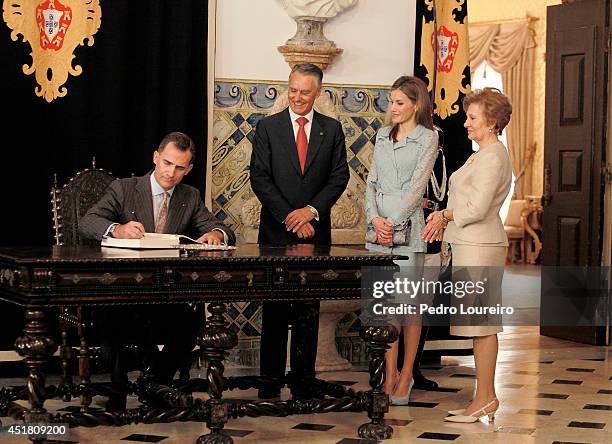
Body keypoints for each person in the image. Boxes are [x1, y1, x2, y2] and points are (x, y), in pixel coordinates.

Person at [79, 131, 236, 409]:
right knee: (115, 323)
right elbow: (88, 221)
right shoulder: (125, 188)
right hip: (121, 292)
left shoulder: (189, 195)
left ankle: (153, 382)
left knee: (191, 324)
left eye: (179, 167)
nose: (170, 173)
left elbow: (222, 229)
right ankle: (125, 391)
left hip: (161, 295)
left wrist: (216, 234)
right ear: (155, 158)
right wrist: (117, 229)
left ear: (188, 169)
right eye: (166, 163)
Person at [250, 63, 349, 399]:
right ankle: (269, 384)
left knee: (308, 309)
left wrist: (310, 212)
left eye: (304, 92)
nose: (297, 97)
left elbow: (339, 177)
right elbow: (259, 178)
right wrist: (289, 216)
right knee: (275, 311)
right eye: (292, 90)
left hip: (315, 234)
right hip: (276, 235)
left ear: (317, 92)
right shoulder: (267, 127)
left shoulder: (332, 129)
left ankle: (304, 384)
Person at [422, 87, 512, 423]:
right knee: (478, 326)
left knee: (482, 325)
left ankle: (486, 398)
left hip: (481, 248)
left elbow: (475, 208)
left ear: (491, 122)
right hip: (470, 246)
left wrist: (443, 216)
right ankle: (484, 397)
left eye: (472, 118)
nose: (466, 124)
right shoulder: (482, 154)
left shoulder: (494, 156)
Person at [365, 75, 438, 405]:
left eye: (399, 102)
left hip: (407, 232)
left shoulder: (428, 138)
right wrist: (374, 219)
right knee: (385, 308)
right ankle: (388, 374)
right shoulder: (381, 135)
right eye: (390, 101)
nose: (392, 108)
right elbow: (370, 182)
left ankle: (407, 373)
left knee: (409, 307)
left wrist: (392, 223)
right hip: (377, 234)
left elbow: (417, 188)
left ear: (415, 105)